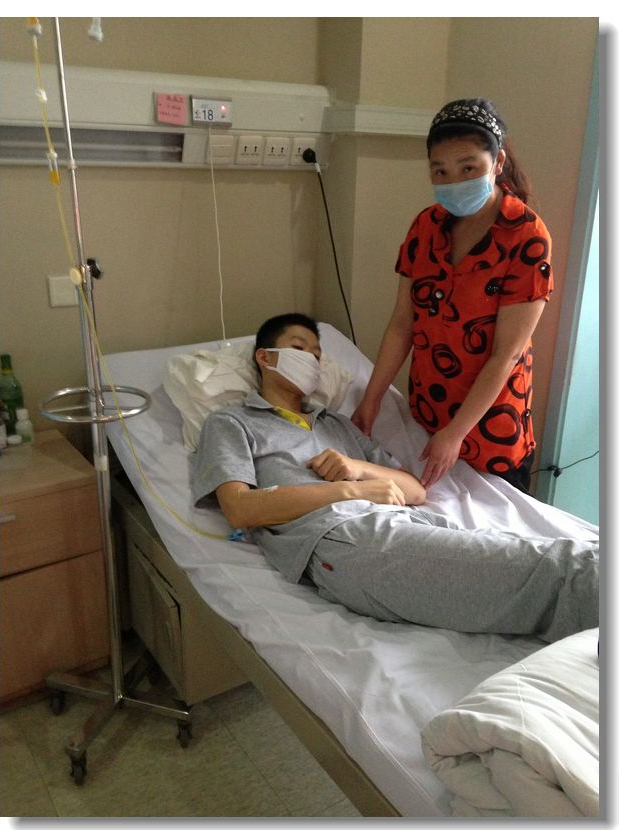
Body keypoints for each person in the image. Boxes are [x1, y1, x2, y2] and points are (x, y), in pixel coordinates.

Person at [192, 313, 598, 643]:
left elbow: (414, 490)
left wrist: (360, 469)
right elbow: (240, 509)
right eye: (299, 349)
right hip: (342, 541)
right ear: (265, 358)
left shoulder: (335, 424)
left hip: (405, 523)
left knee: (564, 560)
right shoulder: (231, 422)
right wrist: (350, 490)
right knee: (565, 570)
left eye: (317, 354)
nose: (312, 361)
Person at [352, 98, 553, 493]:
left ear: (497, 163)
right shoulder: (426, 226)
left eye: (468, 168)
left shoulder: (527, 238)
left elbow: (506, 354)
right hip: (427, 412)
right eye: (440, 171)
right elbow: (402, 325)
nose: (453, 181)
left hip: (491, 428)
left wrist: (456, 432)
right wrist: (373, 397)